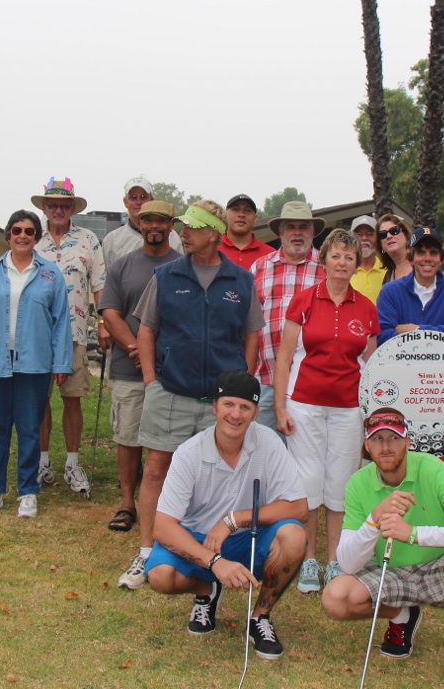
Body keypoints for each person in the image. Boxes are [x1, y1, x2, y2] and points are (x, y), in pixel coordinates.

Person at [118, 200, 262, 591]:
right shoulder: (166, 276)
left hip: (220, 403)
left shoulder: (240, 280)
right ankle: (147, 552)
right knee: (155, 470)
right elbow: (147, 330)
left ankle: (206, 551)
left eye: (194, 227)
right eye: (184, 225)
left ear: (214, 233)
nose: (185, 232)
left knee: (216, 477)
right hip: (171, 393)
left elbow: (251, 335)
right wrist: (151, 381)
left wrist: (241, 382)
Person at [323, 409, 444, 689]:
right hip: (390, 571)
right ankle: (403, 615)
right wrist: (372, 521)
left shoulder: (433, 469)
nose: (385, 447)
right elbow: (348, 563)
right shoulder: (358, 483)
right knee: (334, 598)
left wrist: (415, 533)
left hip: (440, 566)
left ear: (408, 442)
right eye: (377, 440)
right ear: (367, 445)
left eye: (393, 438)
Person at [145, 370, 308, 661]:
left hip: (248, 538)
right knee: (159, 576)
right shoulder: (188, 453)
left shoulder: (269, 442)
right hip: (199, 540)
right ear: (215, 407)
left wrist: (234, 519)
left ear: (256, 413)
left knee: (293, 535)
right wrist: (216, 564)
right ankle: (207, 590)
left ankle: (260, 617)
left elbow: (298, 507)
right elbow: (163, 526)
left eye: (245, 407)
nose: (236, 414)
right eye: (229, 405)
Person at [273, 229, 378, 594]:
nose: (342, 263)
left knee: (341, 483)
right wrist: (279, 406)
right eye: (336, 256)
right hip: (303, 404)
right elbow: (284, 357)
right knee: (308, 481)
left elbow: (370, 363)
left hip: (349, 408)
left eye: (350, 257)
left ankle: (335, 560)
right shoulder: (303, 301)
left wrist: (369, 412)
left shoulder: (366, 307)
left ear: (356, 263)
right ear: (325, 259)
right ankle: (309, 560)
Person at [0, 211, 72, 518]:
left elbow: (61, 323)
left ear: (37, 236)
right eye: (16, 230)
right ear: (8, 235)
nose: (22, 235)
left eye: (28, 230)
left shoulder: (50, 274)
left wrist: (61, 363)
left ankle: (28, 491)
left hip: (35, 365)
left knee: (29, 429)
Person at [98, 200, 182, 532]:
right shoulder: (121, 266)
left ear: (171, 225)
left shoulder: (182, 266)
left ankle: (167, 503)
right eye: (148, 220)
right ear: (140, 222)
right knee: (128, 437)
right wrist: (136, 347)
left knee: (167, 439)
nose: (154, 226)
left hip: (170, 371)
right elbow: (110, 312)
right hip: (126, 365)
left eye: (162, 220)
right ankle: (127, 504)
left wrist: (156, 353)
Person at [32, 176, 106, 494]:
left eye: (64, 205)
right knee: (38, 400)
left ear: (72, 208)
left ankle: (73, 464)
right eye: (53, 205)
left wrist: (103, 324)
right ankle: (42, 463)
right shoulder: (32, 239)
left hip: (74, 333)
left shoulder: (88, 239)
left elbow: (100, 285)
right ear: (45, 208)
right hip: (36, 336)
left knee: (72, 398)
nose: (58, 210)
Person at [251, 200, 325, 434]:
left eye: (303, 227)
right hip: (266, 378)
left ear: (312, 233)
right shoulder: (259, 268)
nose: (297, 233)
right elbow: (248, 325)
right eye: (290, 227)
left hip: (311, 381)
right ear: (281, 232)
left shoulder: (328, 268)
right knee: (262, 453)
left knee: (306, 456)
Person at [377, 227, 444, 346]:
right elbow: (383, 335)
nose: (428, 258)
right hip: (400, 363)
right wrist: (431, 337)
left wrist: (417, 330)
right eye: (421, 252)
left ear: (441, 260)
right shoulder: (390, 292)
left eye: (433, 252)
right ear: (411, 259)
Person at [101, 175, 182, 269]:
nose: (138, 202)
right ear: (125, 202)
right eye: (133, 197)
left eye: (143, 197)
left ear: (151, 200)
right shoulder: (112, 240)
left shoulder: (172, 237)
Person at [218, 193, 274, 267]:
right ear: (226, 214)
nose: (241, 214)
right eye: (235, 209)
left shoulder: (271, 255)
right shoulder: (210, 249)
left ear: (255, 218)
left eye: (247, 210)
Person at [349, 215, 387, 304]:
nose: (364, 238)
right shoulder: (345, 269)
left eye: (369, 234)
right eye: (358, 234)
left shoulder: (389, 269)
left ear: (378, 238)